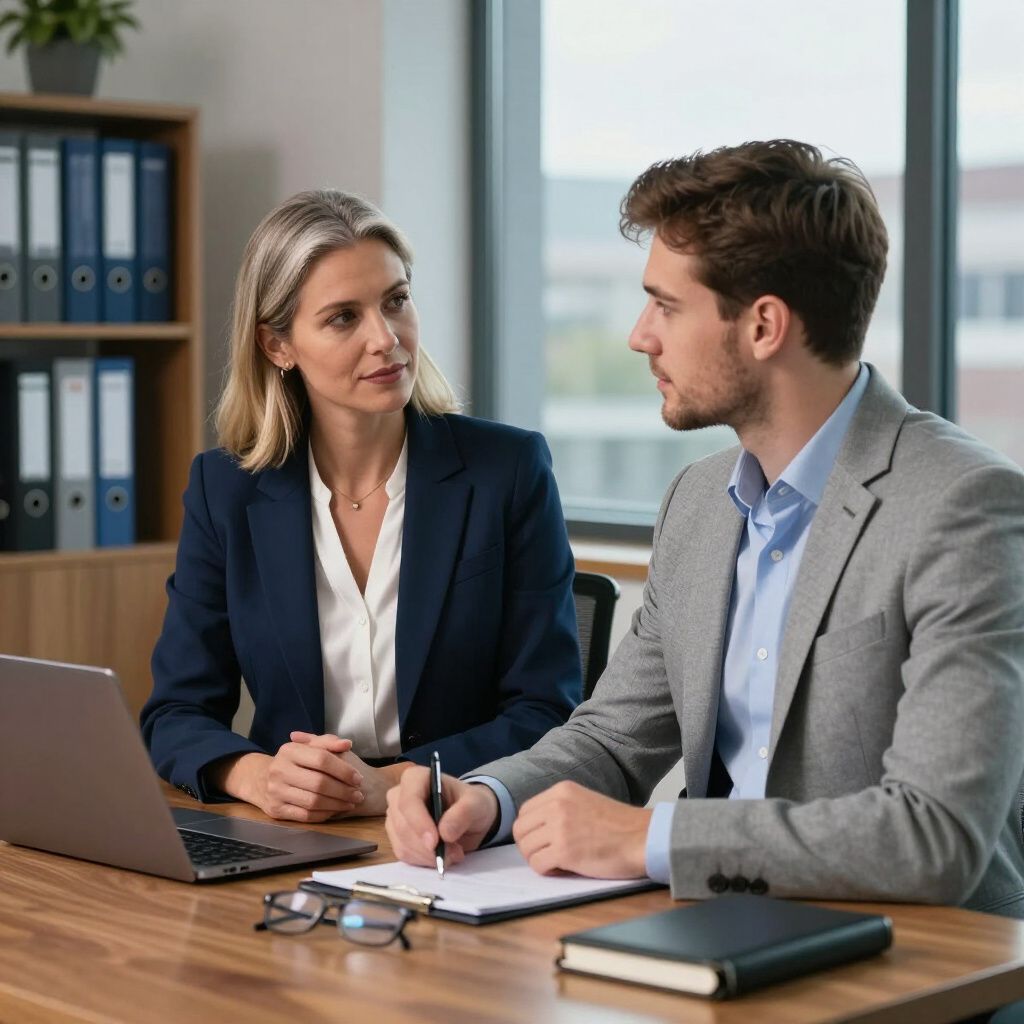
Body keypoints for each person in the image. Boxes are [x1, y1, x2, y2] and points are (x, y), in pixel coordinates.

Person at [385, 140, 1024, 917]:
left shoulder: (963, 507)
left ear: (763, 326)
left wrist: (652, 838)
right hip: (715, 928)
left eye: (666, 304)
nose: (638, 335)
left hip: (913, 960)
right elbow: (615, 738)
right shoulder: (697, 499)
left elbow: (935, 837)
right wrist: (488, 799)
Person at [141, 190, 581, 822]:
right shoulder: (226, 490)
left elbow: (548, 711)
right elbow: (176, 712)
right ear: (277, 346)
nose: (386, 339)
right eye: (344, 317)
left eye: (396, 300)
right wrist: (258, 776)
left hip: (455, 824)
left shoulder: (506, 472)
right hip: (293, 832)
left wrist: (401, 782)